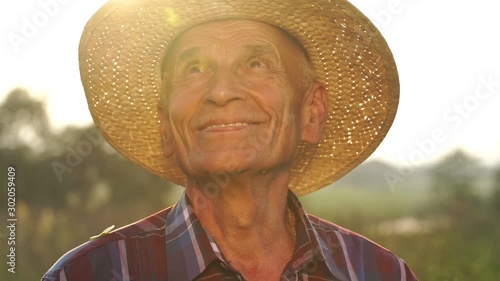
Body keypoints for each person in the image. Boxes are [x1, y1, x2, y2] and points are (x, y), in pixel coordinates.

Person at [43, 0, 418, 280]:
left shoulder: (380, 273)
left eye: (256, 64)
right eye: (194, 69)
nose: (221, 92)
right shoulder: (89, 274)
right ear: (165, 125)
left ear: (311, 112)